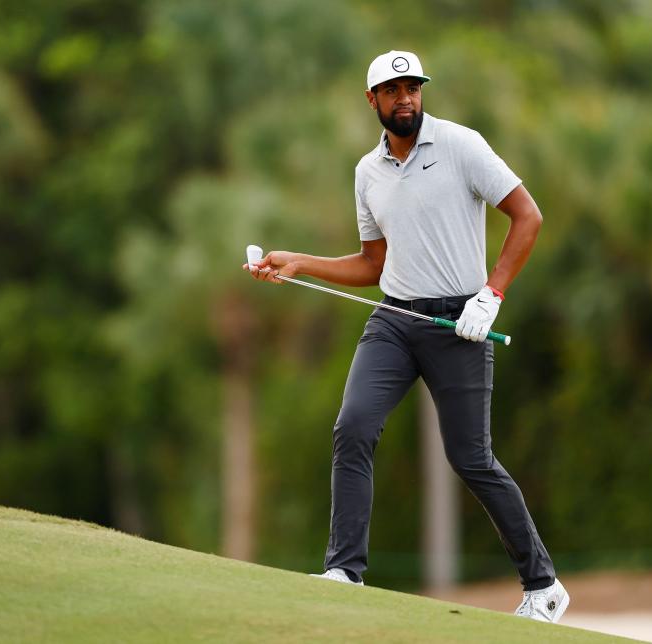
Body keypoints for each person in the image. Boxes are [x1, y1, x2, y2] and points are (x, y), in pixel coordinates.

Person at [243, 50, 568, 623]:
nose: (405, 99)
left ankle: (543, 586)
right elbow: (373, 264)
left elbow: (528, 216)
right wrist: (300, 261)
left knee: (471, 458)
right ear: (372, 99)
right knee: (353, 427)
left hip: (459, 324)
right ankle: (344, 571)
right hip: (394, 321)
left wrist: (491, 294)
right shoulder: (367, 172)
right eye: (393, 91)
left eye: (413, 88)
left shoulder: (462, 145)